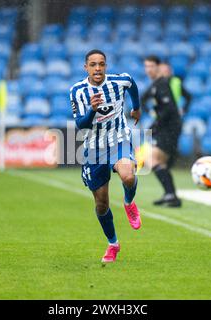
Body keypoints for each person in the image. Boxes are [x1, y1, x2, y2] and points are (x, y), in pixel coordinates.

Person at [70, 50, 141, 263]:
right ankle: (113, 244)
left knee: (128, 176)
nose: (98, 68)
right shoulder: (77, 91)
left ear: (106, 66)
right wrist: (92, 110)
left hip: (118, 139)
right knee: (101, 204)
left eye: (101, 64)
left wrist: (136, 108)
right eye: (93, 65)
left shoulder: (119, 81)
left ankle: (129, 202)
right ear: (86, 68)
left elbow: (132, 84)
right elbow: (80, 125)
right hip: (93, 148)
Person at [141, 56, 183, 207]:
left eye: (151, 66)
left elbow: (169, 109)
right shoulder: (156, 84)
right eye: (146, 66)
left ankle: (171, 195)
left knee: (152, 159)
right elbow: (142, 99)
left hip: (169, 127)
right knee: (160, 162)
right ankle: (170, 195)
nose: (148, 69)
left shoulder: (162, 84)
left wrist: (154, 124)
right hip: (165, 127)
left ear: (158, 67)